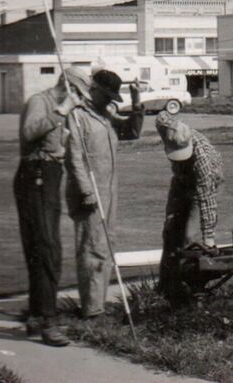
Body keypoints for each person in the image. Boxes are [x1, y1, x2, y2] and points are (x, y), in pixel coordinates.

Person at [14, 66, 91, 346]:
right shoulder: (41, 101)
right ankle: (48, 320)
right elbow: (29, 131)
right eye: (79, 94)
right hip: (35, 175)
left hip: (50, 176)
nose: (80, 100)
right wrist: (61, 110)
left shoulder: (66, 108)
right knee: (47, 249)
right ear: (69, 86)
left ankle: (37, 314)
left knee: (42, 248)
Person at [65, 69, 144, 318]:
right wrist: (86, 191)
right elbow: (74, 157)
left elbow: (131, 132)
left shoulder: (107, 114)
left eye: (113, 97)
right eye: (107, 95)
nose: (110, 101)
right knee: (91, 247)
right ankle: (91, 310)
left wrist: (137, 102)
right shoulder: (77, 115)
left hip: (109, 190)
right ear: (94, 90)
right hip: (89, 193)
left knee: (107, 245)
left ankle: (97, 305)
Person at [154, 112, 223, 300]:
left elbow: (207, 200)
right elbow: (161, 118)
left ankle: (191, 289)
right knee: (170, 231)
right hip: (180, 181)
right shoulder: (168, 130)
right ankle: (166, 286)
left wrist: (209, 237)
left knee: (191, 237)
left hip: (204, 186)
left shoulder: (204, 161)